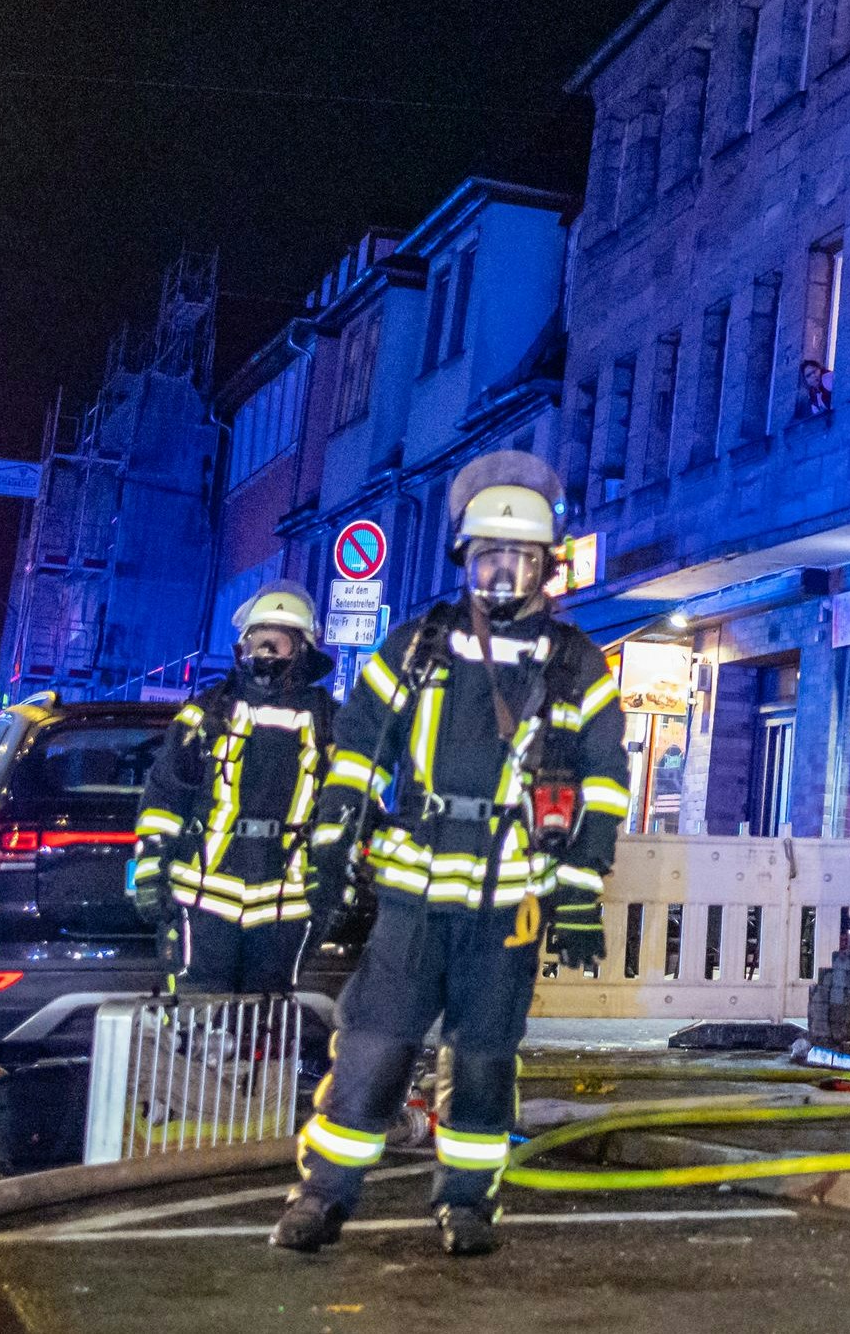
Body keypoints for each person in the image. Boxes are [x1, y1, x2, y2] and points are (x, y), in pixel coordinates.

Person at [270, 451, 626, 1259]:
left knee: (487, 1058)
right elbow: (358, 748)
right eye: (490, 556)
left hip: (511, 901)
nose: (504, 572)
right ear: (466, 558)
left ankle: (467, 1203)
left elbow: (604, 780)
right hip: (414, 894)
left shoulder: (574, 663)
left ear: (546, 565)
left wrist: (577, 885)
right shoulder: (418, 646)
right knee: (373, 1048)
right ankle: (323, 1196)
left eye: (521, 558)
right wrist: (334, 839)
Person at [130, 587, 345, 995]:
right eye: (255, 640)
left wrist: (335, 881)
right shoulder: (206, 714)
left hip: (287, 897)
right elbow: (164, 796)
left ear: (301, 649)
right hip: (203, 892)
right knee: (198, 1015)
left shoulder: (329, 723)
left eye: (276, 642)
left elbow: (346, 807)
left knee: (269, 1018)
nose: (263, 652)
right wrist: (150, 868)